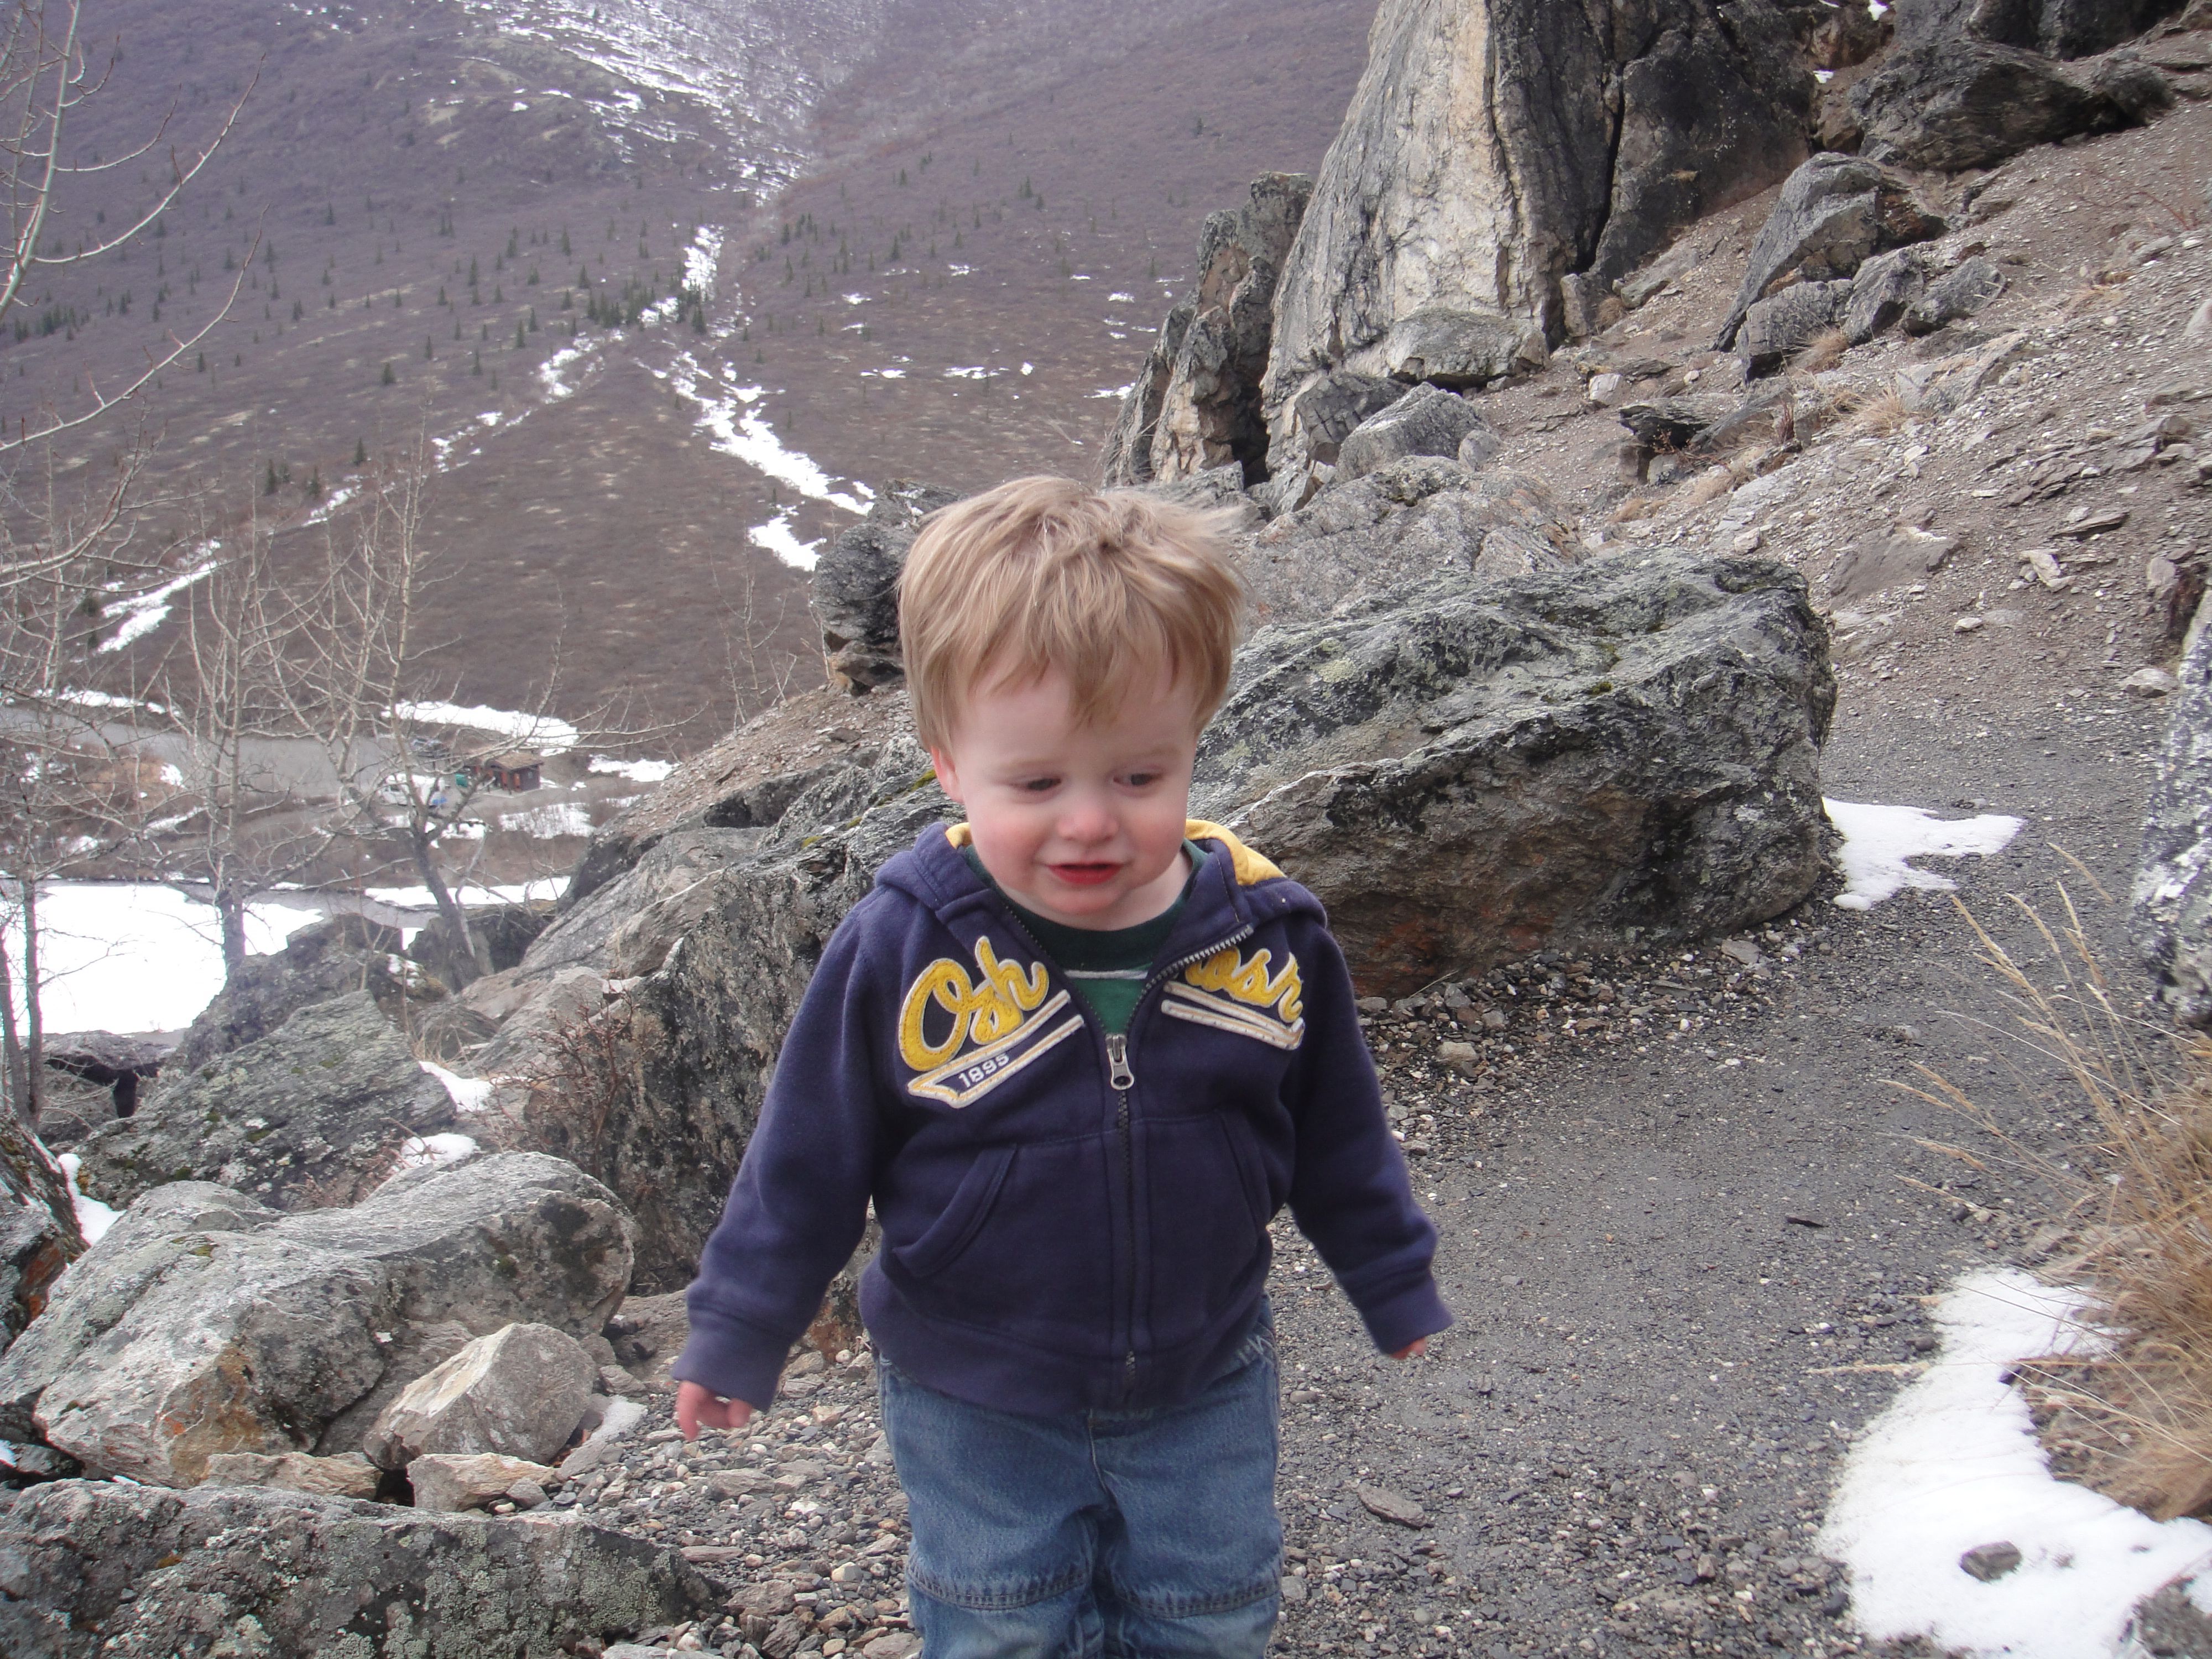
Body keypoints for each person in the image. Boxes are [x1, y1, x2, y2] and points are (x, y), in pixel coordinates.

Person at [672, 475, 1452, 1658]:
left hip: (1204, 1367)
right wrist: (741, 1325)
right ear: (946, 763)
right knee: (999, 1615)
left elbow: (1337, 1129)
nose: (1089, 822)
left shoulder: (1266, 935)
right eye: (1036, 784)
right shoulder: (904, 944)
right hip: (972, 1385)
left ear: (1192, 744)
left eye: (1138, 776)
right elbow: (806, 1157)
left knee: (1210, 1606)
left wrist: (1389, 1276)